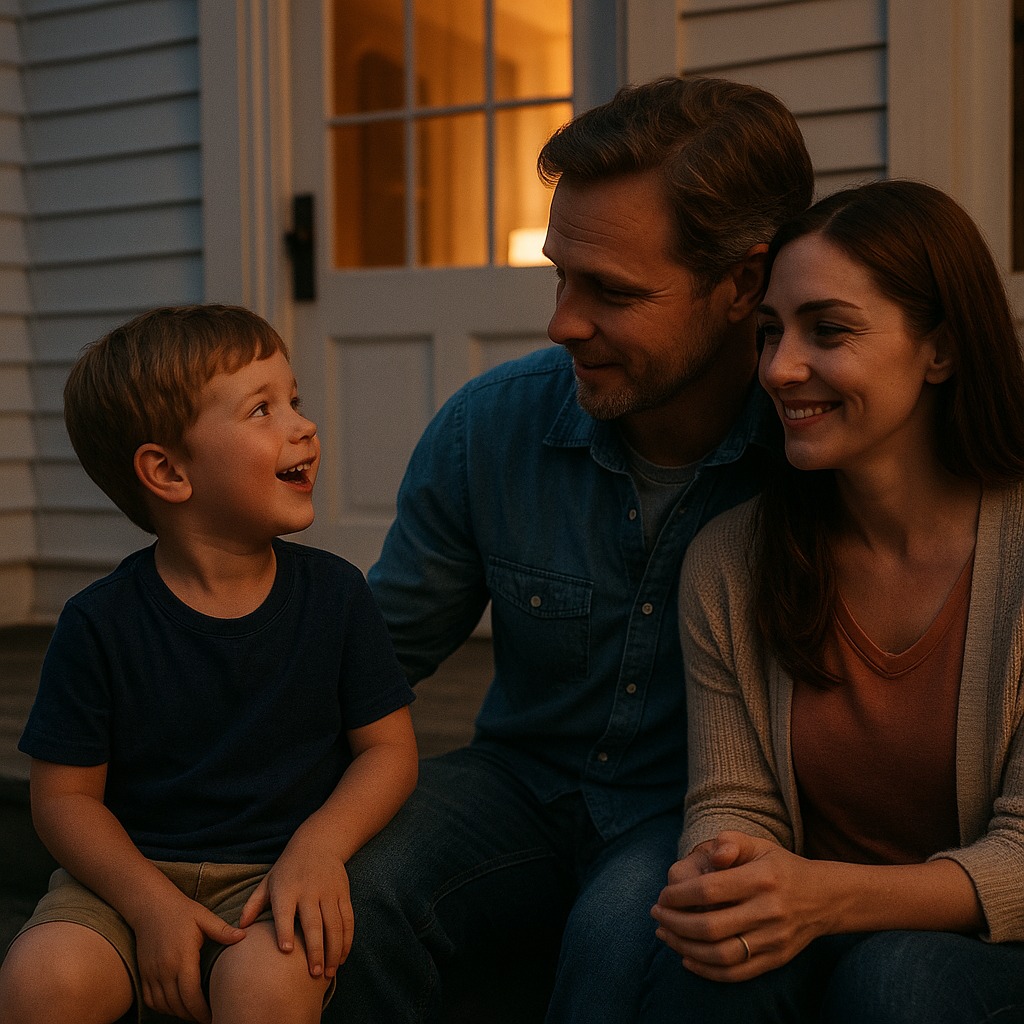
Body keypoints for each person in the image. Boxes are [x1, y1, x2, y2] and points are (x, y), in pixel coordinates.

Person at [328, 76, 814, 1023]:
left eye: (612, 291)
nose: (562, 322)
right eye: (560, 273)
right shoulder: (490, 427)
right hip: (516, 782)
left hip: (694, 809)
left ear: (741, 285)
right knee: (349, 890)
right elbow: (375, 652)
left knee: (618, 941)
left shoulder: (812, 452)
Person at [645, 179, 1024, 1023]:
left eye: (831, 330)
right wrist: (725, 880)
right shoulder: (731, 560)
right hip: (811, 923)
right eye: (771, 333)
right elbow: (732, 799)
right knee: (697, 966)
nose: (778, 369)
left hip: (988, 949)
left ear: (942, 349)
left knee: (899, 980)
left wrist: (822, 898)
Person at [0, 305, 419, 1024]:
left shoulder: (335, 596)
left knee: (268, 989)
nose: (303, 425)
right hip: (124, 882)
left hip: (271, 879)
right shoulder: (100, 623)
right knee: (42, 981)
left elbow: (389, 751)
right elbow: (63, 799)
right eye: (263, 409)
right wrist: (148, 902)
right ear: (167, 471)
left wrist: (319, 849)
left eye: (295, 400)